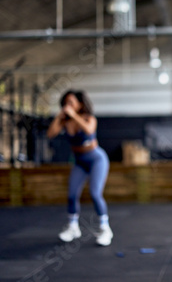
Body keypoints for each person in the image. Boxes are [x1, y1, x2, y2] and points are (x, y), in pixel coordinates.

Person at [47, 90, 113, 246]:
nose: (67, 106)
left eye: (71, 103)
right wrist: (60, 115)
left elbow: (89, 130)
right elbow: (50, 134)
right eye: (65, 103)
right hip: (79, 161)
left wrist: (74, 115)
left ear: (80, 104)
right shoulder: (64, 122)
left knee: (95, 193)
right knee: (71, 195)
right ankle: (73, 227)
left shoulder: (89, 118)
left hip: (97, 159)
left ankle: (105, 228)